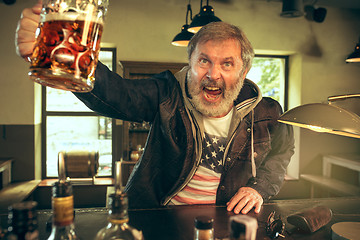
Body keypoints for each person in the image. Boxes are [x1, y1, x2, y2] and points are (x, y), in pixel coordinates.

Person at [15, 2, 294, 214]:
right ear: (189, 65)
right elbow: (117, 94)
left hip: (223, 218)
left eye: (227, 64)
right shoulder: (165, 93)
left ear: (244, 71)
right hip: (156, 216)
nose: (213, 74)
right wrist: (64, 57)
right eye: (204, 61)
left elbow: (282, 154)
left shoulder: (267, 112)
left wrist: (259, 189)